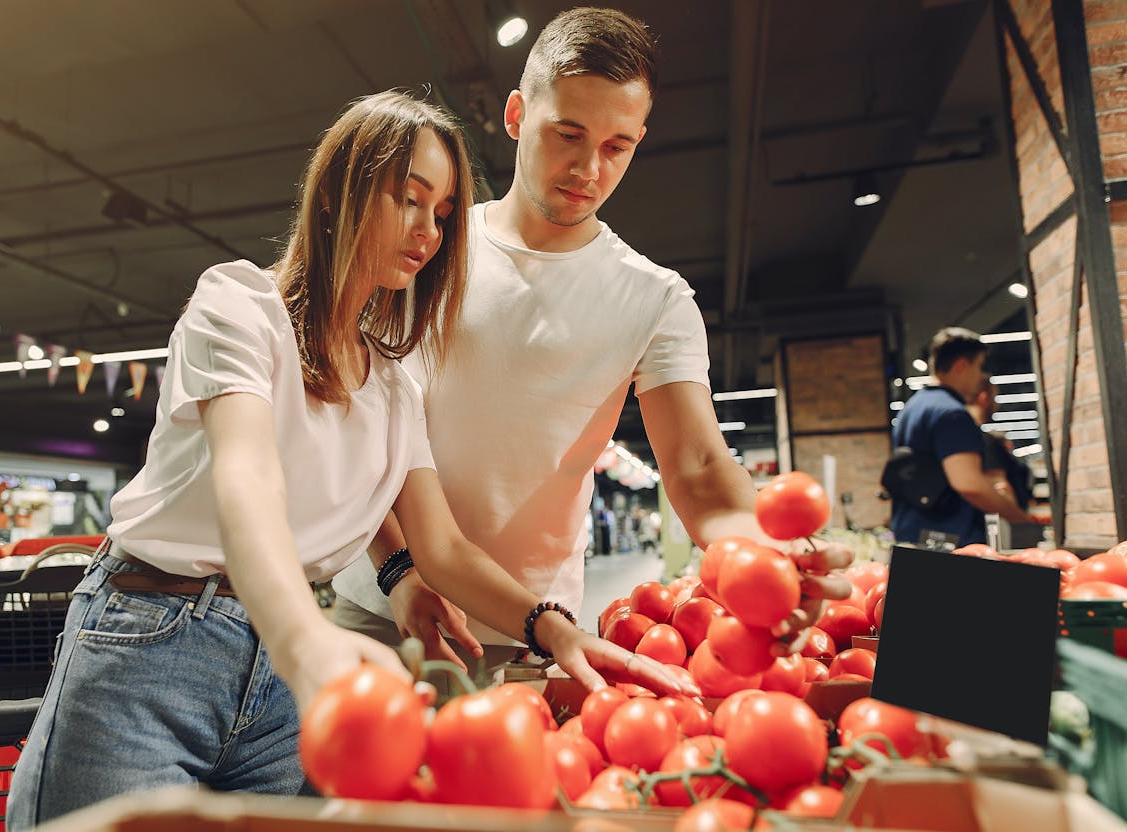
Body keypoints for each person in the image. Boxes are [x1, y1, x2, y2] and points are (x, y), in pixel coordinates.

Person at [6, 91, 688, 832]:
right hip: (152, 641)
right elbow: (249, 481)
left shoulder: (393, 386)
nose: (428, 230)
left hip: (279, 674)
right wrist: (306, 640)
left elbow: (444, 547)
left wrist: (554, 628)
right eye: (409, 198)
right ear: (337, 194)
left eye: (443, 211)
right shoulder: (239, 308)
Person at [332, 9, 851, 671]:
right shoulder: (423, 247)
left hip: (535, 629)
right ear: (517, 115)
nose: (587, 168)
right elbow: (362, 426)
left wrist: (762, 554)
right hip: (383, 605)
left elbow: (696, 467)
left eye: (617, 145)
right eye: (567, 134)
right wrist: (398, 570)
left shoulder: (655, 298)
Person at [890, 327, 1032, 547]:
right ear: (961, 366)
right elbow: (969, 484)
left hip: (915, 535)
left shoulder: (913, 407)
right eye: (979, 366)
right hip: (950, 542)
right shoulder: (951, 413)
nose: (981, 376)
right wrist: (1019, 518)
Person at [964, 375, 1035, 512]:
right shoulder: (984, 441)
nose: (996, 405)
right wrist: (1021, 521)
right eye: (994, 397)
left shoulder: (964, 439)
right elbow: (1001, 489)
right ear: (984, 398)